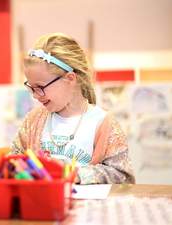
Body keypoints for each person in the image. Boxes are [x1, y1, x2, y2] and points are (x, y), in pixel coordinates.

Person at [11, 33, 135, 184]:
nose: (35, 96)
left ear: (70, 79)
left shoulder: (103, 124)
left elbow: (123, 177)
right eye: (31, 87)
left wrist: (77, 175)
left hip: (88, 207)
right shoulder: (33, 121)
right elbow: (14, 163)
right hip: (42, 206)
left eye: (40, 87)